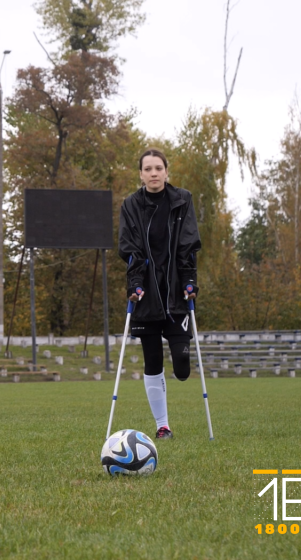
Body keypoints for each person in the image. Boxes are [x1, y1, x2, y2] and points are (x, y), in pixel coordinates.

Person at [118, 148, 201, 440]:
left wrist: (190, 280)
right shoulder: (131, 205)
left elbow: (188, 244)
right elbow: (130, 249)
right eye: (148, 169)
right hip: (147, 296)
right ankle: (162, 426)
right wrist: (134, 284)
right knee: (152, 360)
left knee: (181, 366)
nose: (153, 173)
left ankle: (180, 364)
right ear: (140, 174)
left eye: (158, 168)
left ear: (166, 171)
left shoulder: (182, 200)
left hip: (176, 294)